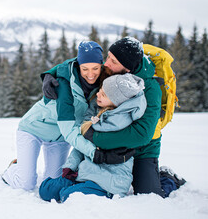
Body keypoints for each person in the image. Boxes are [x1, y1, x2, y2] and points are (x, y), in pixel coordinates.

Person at [42, 37, 186, 198]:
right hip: (108, 143)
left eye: (113, 61)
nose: (107, 64)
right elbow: (81, 63)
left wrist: (94, 137)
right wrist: (51, 74)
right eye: (108, 57)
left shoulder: (150, 88)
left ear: (128, 69)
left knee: (150, 195)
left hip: (142, 149)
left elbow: (142, 135)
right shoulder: (111, 71)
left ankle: (168, 178)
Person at [2, 41, 111, 190]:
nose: (90, 74)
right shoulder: (64, 85)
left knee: (51, 183)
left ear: (101, 65)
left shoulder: (103, 83)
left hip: (59, 139)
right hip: (33, 129)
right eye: (85, 68)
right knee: (26, 184)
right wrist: (92, 152)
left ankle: (24, 169)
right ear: (78, 66)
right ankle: (13, 168)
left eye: (95, 68)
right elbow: (68, 128)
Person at [39, 73, 146, 202]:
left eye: (104, 94)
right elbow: (82, 146)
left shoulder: (119, 122)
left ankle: (101, 193)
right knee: (47, 190)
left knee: (67, 196)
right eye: (100, 90)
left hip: (109, 181)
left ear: (116, 103)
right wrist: (70, 167)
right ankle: (78, 186)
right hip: (86, 172)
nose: (97, 95)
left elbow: (90, 141)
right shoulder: (98, 112)